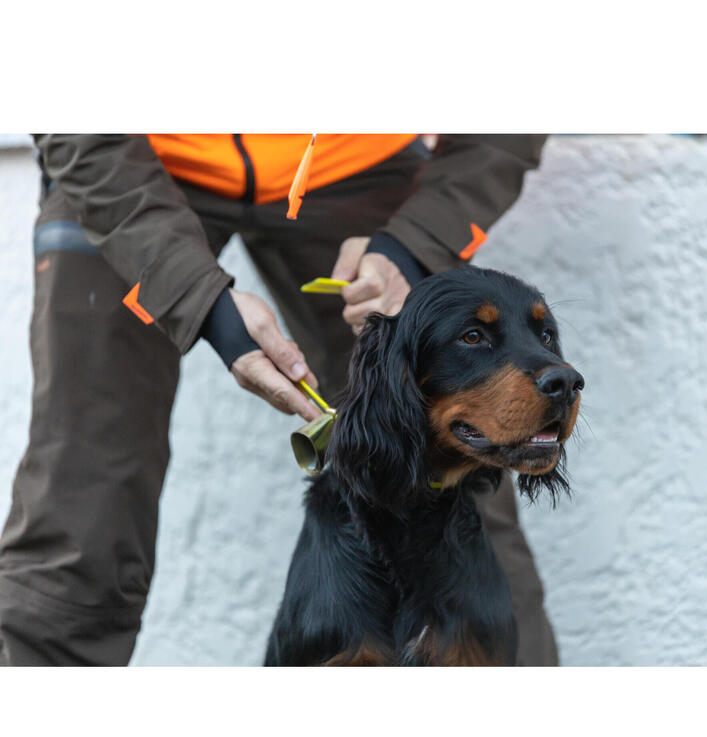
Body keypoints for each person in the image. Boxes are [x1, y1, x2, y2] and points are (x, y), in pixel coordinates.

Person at [0, 134, 558, 666]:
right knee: (82, 503)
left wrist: (414, 243)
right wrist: (200, 300)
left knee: (464, 461)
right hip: (129, 167)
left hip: (350, 157)